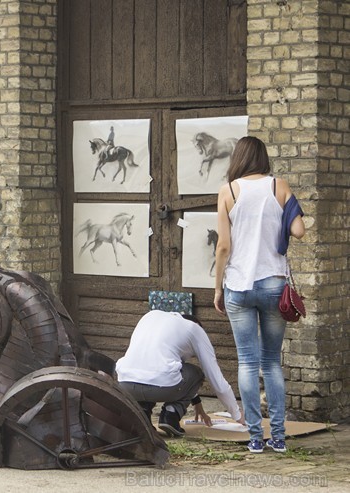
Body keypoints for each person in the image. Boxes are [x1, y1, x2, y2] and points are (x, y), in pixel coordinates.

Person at [214, 136, 305, 454]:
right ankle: (278, 437)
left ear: (238, 158)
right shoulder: (279, 186)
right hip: (273, 285)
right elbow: (299, 231)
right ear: (263, 157)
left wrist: (217, 287)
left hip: (238, 286)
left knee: (248, 362)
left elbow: (223, 246)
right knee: (271, 362)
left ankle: (255, 437)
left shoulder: (229, 191)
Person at [116, 310, 244, 437]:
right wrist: (237, 415)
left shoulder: (151, 315)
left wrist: (197, 403)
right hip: (161, 387)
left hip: (125, 383)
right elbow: (217, 382)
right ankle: (171, 414)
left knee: (151, 369)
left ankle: (142, 414)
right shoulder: (195, 329)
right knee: (196, 372)